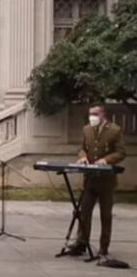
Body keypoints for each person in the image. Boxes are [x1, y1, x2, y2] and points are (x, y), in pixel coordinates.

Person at [67, 104, 125, 260]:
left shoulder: (114, 130)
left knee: (105, 215)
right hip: (89, 179)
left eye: (95, 114)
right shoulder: (86, 129)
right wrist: (82, 157)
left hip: (106, 181)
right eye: (90, 114)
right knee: (83, 212)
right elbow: (81, 148)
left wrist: (106, 160)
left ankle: (103, 248)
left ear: (103, 115)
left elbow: (121, 152)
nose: (91, 117)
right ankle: (81, 242)